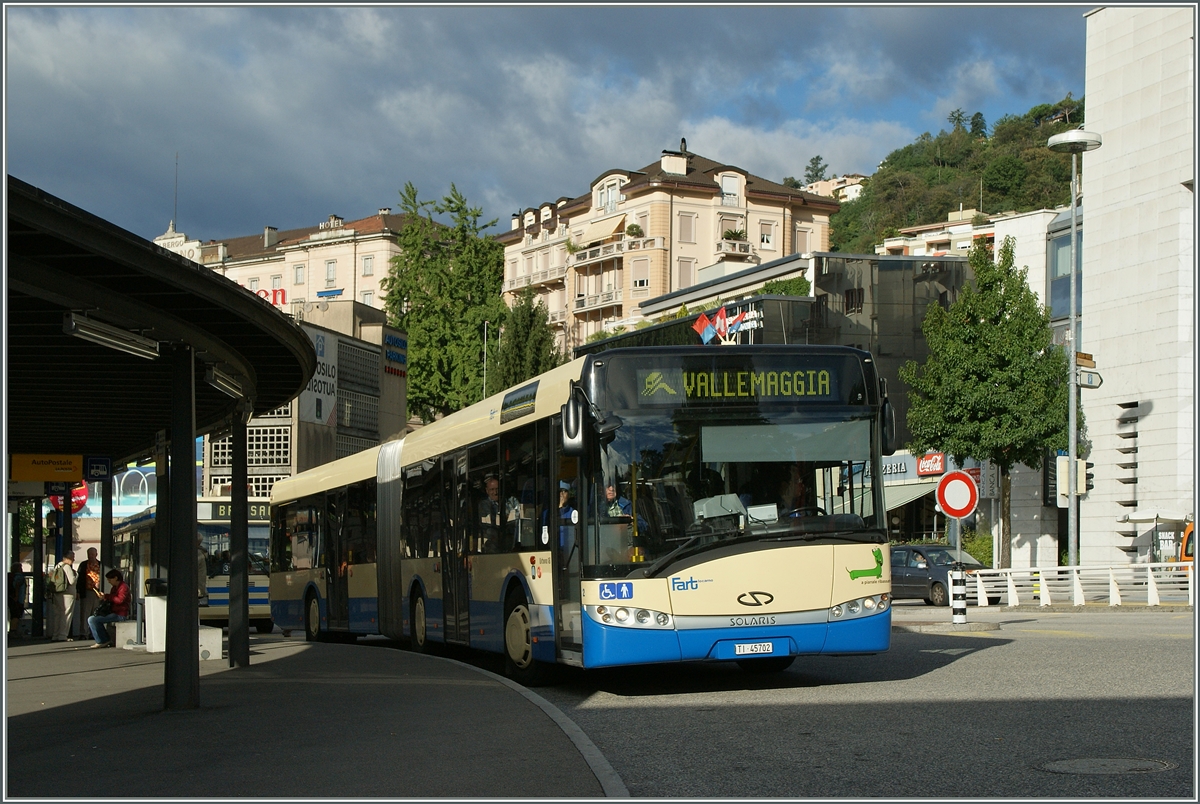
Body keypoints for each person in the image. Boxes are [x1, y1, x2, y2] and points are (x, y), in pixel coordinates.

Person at [87, 569, 130, 648]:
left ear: (116, 578)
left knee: (93, 619)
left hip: (120, 614)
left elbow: (120, 600)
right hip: (114, 612)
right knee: (93, 619)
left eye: (110, 579)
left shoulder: (123, 587)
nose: (109, 581)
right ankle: (104, 639)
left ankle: (102, 640)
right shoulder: (114, 587)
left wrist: (106, 596)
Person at [47, 551, 78, 642]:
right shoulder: (67, 567)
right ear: (68, 558)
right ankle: (63, 635)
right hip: (67, 593)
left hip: (57, 593)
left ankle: (55, 635)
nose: (73, 559)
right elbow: (72, 581)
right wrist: (76, 575)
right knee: (66, 614)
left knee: (58, 614)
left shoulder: (58, 566)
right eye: (72, 557)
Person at [75, 547, 102, 637]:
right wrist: (78, 591)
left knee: (95, 612)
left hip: (98, 593)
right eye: (89, 554)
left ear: (96, 555)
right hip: (87, 591)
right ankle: (84, 632)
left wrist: (101, 584)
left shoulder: (101, 564)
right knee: (85, 613)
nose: (91, 556)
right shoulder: (83, 565)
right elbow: (79, 579)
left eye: (93, 555)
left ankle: (93, 632)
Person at [8, 560, 26, 638]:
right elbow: (17, 586)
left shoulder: (9, 576)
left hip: (10, 597)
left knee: (13, 614)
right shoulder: (20, 577)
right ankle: (13, 631)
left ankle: (13, 630)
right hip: (17, 598)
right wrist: (16, 596)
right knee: (16, 615)